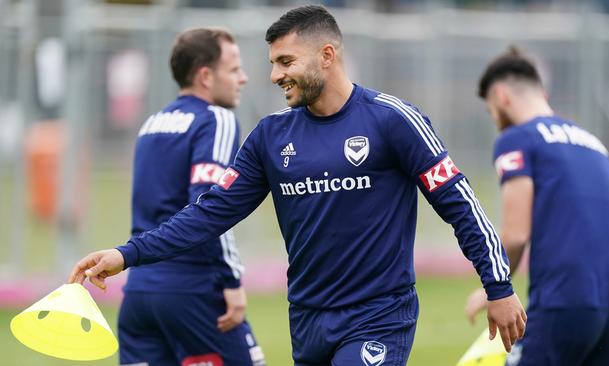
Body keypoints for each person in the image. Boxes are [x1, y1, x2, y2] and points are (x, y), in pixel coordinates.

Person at [69, 6, 526, 365]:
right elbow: (208, 213)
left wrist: (498, 286)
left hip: (377, 317)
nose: (273, 75)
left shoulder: (392, 120)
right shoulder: (270, 137)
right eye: (272, 63)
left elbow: (460, 203)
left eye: (286, 61)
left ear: (327, 55)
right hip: (307, 320)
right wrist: (126, 254)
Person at [465, 47, 609, 365]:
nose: (496, 122)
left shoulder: (517, 139)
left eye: (491, 112)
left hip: (564, 302)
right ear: (541, 90)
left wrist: (493, 289)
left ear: (501, 96)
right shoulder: (594, 143)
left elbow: (515, 235)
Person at [116, 27, 265, 366]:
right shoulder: (216, 119)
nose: (243, 78)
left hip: (138, 294)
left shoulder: (152, 123)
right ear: (205, 76)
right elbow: (213, 210)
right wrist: (231, 280)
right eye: (233, 69)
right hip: (192, 291)